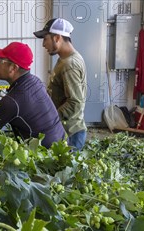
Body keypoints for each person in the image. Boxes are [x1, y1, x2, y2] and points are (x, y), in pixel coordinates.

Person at [0, 42, 66, 148]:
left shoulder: (13, 101)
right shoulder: (35, 81)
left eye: (0, 60)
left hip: (45, 156)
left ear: (13, 68)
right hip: (61, 144)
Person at [34, 18, 88, 151]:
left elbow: (75, 102)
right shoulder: (65, 59)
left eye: (45, 38)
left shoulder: (69, 64)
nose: (43, 44)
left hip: (70, 134)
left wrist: (50, 117)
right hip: (66, 131)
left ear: (57, 38)